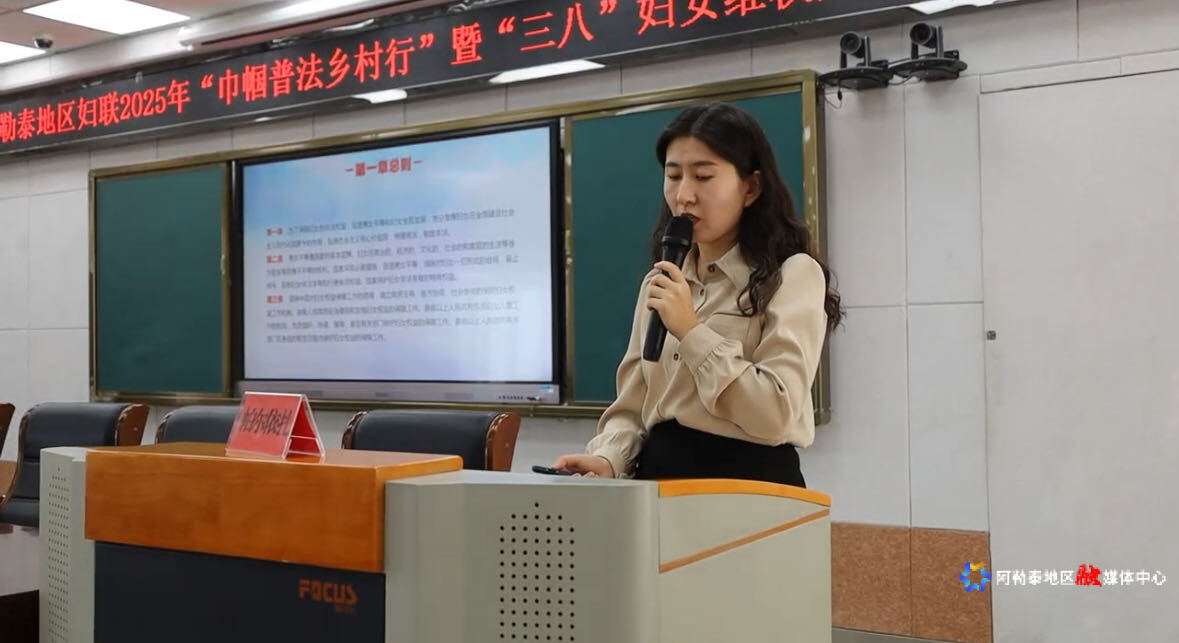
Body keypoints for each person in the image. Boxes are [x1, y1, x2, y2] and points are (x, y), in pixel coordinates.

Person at [553, 102, 843, 486]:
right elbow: (633, 406)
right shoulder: (662, 281)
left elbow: (776, 413)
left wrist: (691, 331)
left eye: (703, 176)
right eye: (673, 176)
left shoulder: (793, 274)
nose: (684, 195)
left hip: (750, 487)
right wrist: (608, 458)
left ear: (751, 187)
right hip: (659, 485)